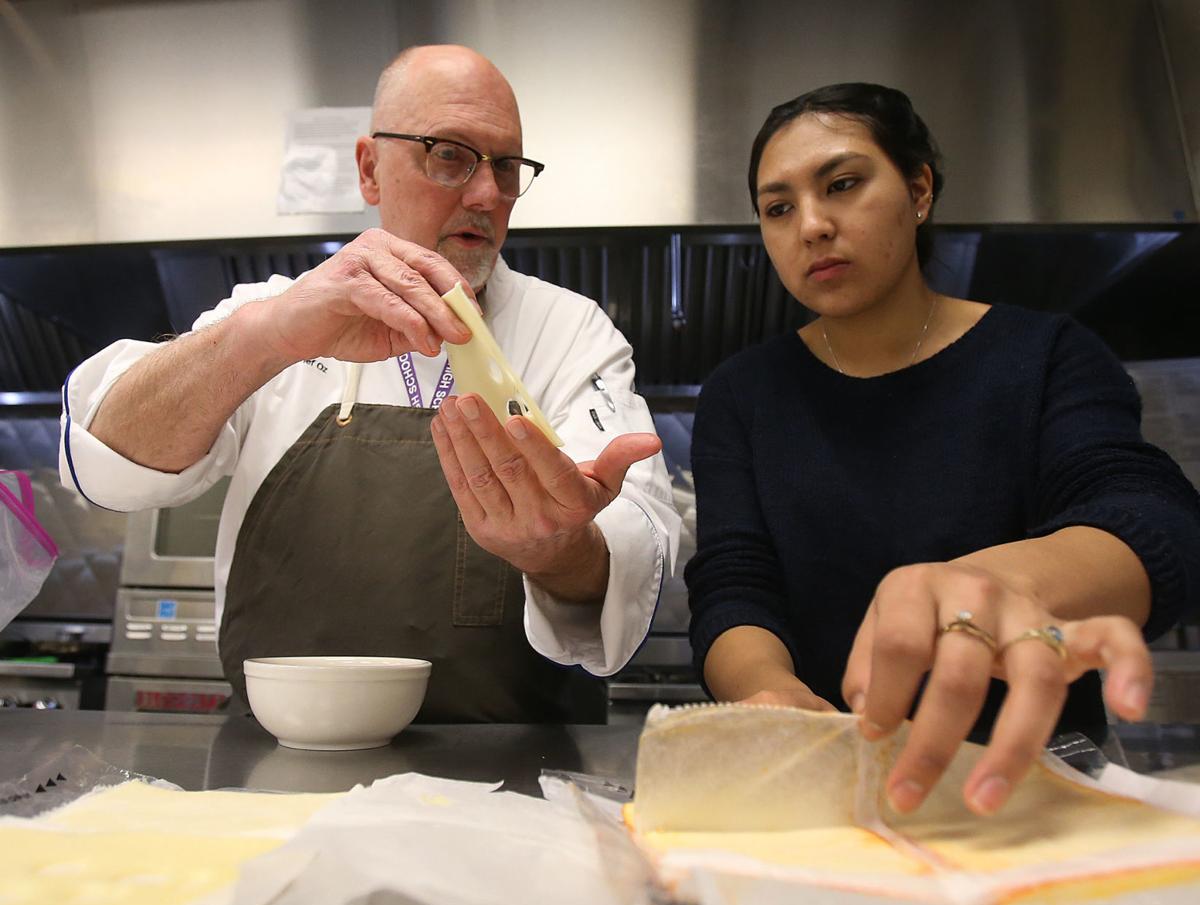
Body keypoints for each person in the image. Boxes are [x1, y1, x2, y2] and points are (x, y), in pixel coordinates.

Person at [59, 45, 679, 723]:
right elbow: (104, 464)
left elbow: (635, 541)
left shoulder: (569, 333)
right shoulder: (271, 314)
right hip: (281, 776)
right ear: (369, 169)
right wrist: (268, 337)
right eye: (450, 154)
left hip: (510, 781)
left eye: (506, 166)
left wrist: (558, 550)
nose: (487, 194)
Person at [686, 82, 1200, 815]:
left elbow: (1149, 512)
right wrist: (774, 695)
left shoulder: (1044, 353)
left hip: (1036, 784)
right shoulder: (743, 392)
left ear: (919, 189)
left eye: (843, 184)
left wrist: (995, 584)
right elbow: (735, 582)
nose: (812, 225)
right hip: (836, 784)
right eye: (779, 208)